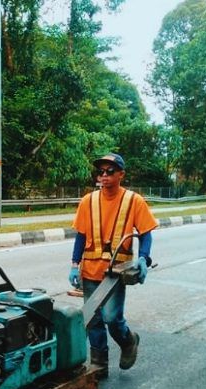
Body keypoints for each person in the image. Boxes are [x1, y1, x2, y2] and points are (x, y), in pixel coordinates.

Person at [68, 153, 158, 377]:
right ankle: (99, 363)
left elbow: (146, 233)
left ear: (121, 174)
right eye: (101, 172)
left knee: (111, 318)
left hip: (116, 272)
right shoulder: (88, 201)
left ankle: (128, 341)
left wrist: (143, 258)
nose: (104, 176)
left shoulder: (133, 200)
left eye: (110, 171)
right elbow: (81, 235)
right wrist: (74, 264)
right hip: (90, 269)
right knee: (92, 319)